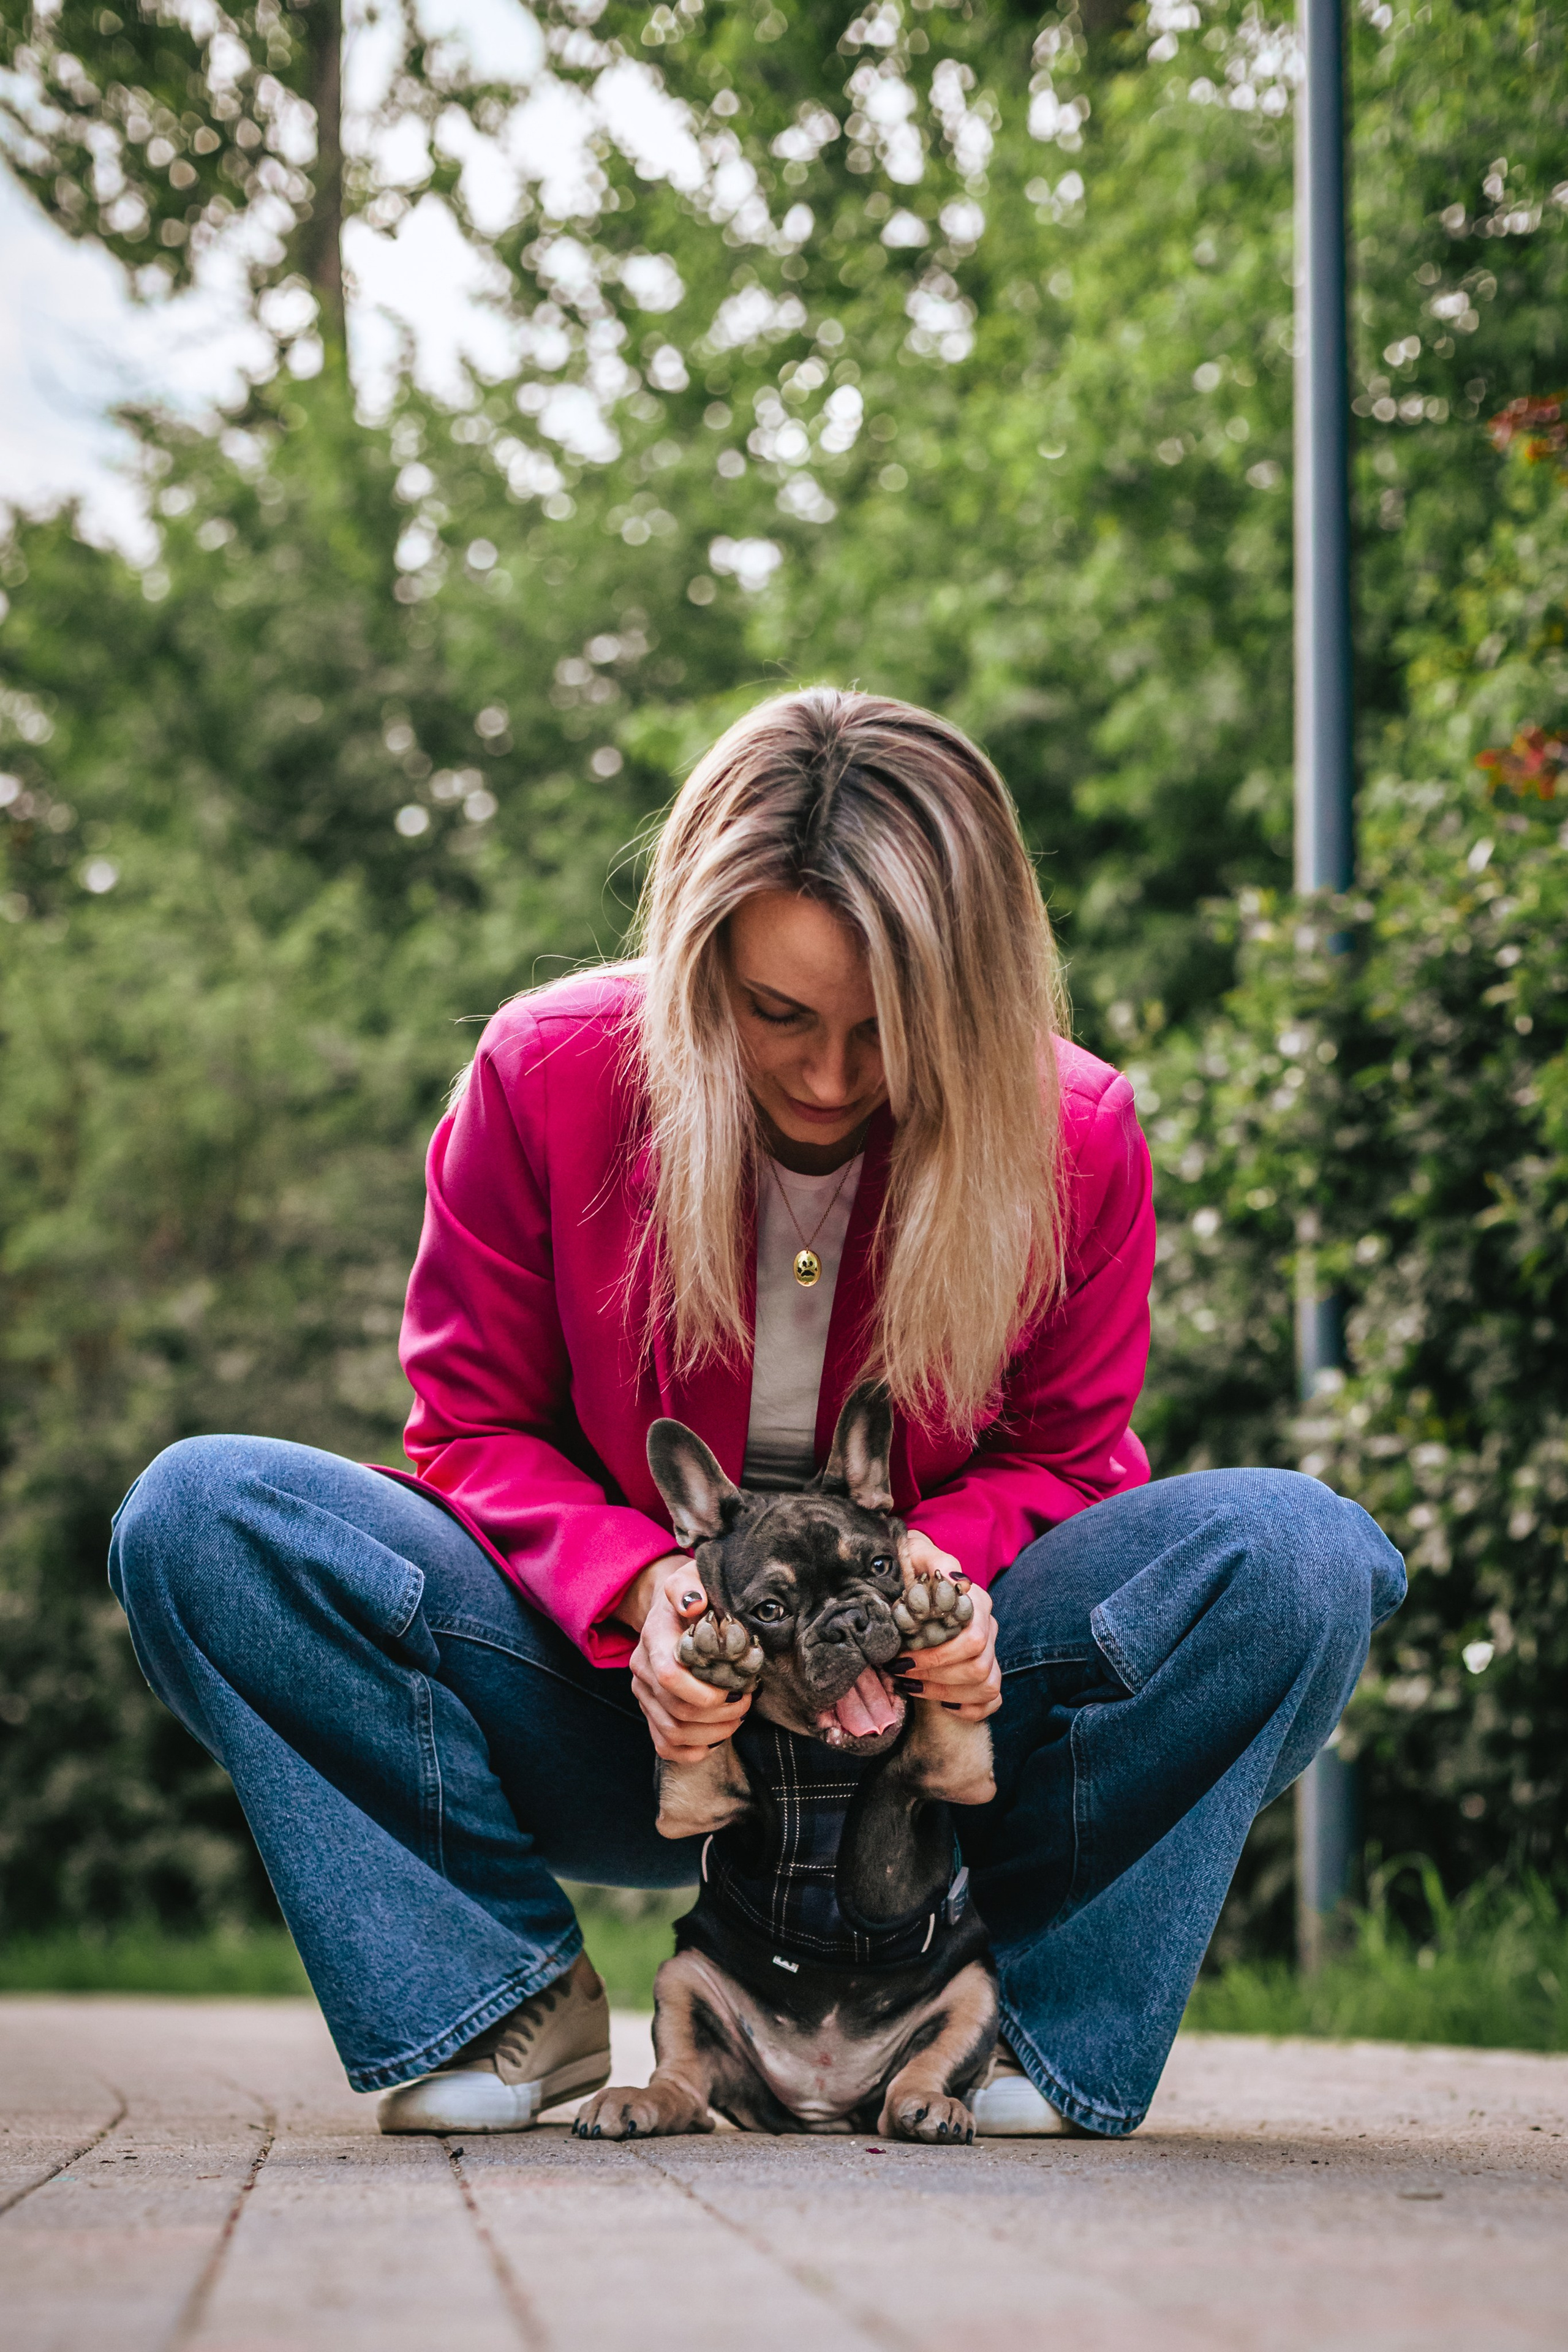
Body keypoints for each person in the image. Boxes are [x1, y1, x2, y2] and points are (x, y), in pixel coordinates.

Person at [108, 688, 1404, 2139]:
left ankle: (1002, 2029)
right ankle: (500, 2000)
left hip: (936, 1736)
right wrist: (641, 1587)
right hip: (609, 1715)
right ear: (695, 954)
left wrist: (937, 1585)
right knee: (201, 1518)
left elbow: (1068, 1460)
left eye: (886, 1030)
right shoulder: (542, 1071)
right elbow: (468, 1430)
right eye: (774, 1012)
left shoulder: (1077, 1134)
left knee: (1300, 1556)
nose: (827, 1077)